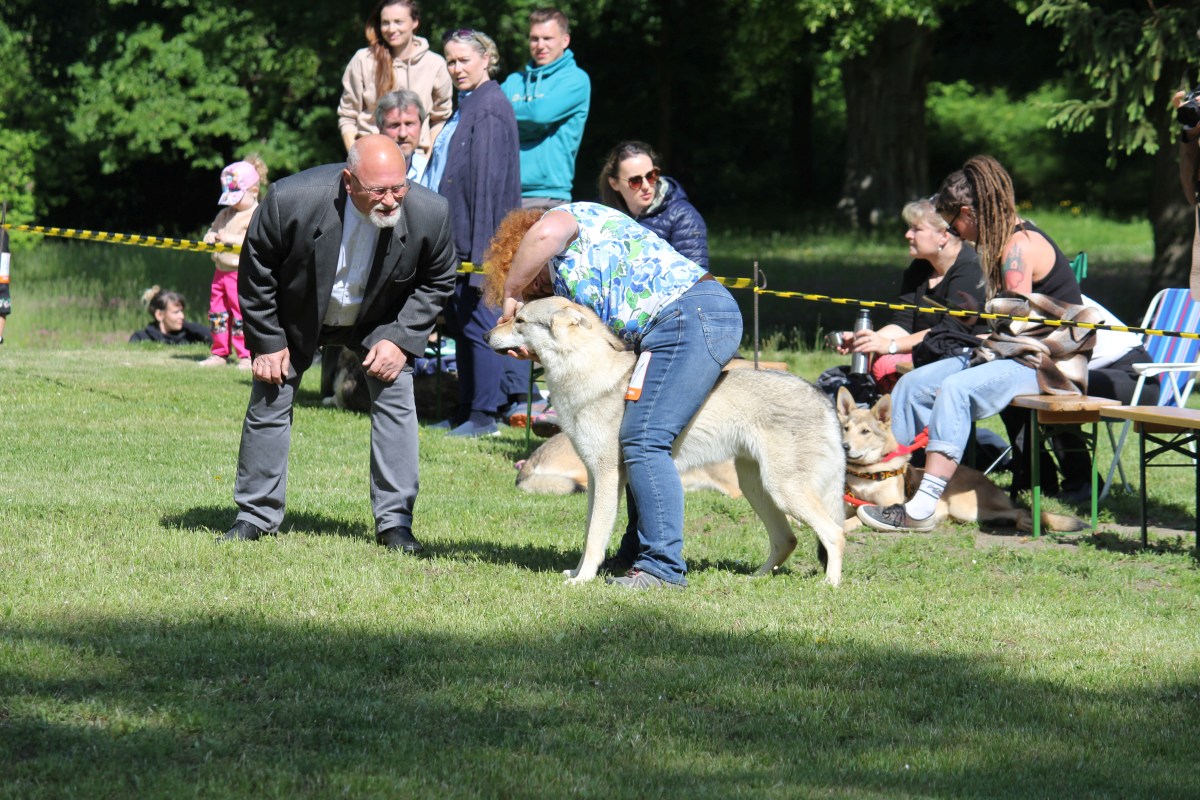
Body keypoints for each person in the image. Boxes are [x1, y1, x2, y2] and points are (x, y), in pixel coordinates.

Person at [485, 202, 743, 590]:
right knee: (634, 437)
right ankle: (632, 555)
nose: (533, 293)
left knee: (644, 437)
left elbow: (542, 236)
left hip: (693, 316)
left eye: (532, 283)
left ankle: (663, 569)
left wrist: (511, 289)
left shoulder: (566, 222)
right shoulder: (571, 285)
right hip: (675, 325)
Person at [222, 135, 457, 552]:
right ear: (349, 182)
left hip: (379, 319)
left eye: (399, 187)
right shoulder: (290, 200)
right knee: (270, 394)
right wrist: (268, 341)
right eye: (379, 191)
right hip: (300, 314)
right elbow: (257, 271)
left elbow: (438, 279)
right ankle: (254, 516)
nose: (392, 200)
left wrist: (401, 338)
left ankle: (395, 523)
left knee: (396, 396)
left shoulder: (430, 212)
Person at [858, 155, 1096, 533]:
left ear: (968, 213)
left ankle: (919, 510)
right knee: (912, 384)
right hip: (1011, 353)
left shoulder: (1018, 247)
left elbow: (1014, 327)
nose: (956, 232)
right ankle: (882, 484)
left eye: (954, 224)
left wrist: (977, 339)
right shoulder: (1002, 243)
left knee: (955, 388)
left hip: (1048, 364)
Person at [420, 29, 521, 437]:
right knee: (462, 323)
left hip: (482, 240)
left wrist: (482, 259)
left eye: (464, 60)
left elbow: (487, 187)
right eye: (450, 61)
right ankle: (466, 409)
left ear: (486, 59)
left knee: (482, 324)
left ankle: (485, 416)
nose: (456, 68)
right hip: (458, 236)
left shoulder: (491, 108)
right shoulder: (469, 105)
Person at [1004, 294, 1160, 502]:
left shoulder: (1055, 296)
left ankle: (1083, 482)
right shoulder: (1026, 298)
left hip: (1134, 378)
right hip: (1089, 373)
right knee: (1010, 389)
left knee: (1053, 388)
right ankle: (1036, 478)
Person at [827, 198, 986, 395]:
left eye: (916, 229)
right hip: (929, 351)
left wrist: (890, 346)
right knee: (881, 359)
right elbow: (903, 323)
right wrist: (867, 340)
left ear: (943, 236)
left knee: (887, 362)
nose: (907, 234)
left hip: (963, 356)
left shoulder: (970, 269)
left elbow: (948, 332)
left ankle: (912, 424)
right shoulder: (920, 267)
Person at [499, 8, 590, 208]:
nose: (540, 45)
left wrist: (510, 119)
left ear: (565, 40)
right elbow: (489, 117)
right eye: (534, 39)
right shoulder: (514, 81)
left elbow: (538, 115)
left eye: (547, 38)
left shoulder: (575, 79)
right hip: (504, 190)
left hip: (548, 195)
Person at [337, 0, 452, 156]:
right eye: (386, 23)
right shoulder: (363, 60)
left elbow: (440, 119)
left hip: (417, 161)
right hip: (372, 158)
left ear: (415, 22)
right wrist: (357, 158)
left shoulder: (435, 64)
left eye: (398, 22)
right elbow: (348, 117)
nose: (391, 29)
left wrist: (428, 160)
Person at [199, 157, 267, 368]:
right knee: (217, 312)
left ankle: (246, 354)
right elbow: (212, 230)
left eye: (236, 197)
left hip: (241, 273)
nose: (231, 202)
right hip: (220, 272)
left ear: (254, 192)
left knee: (240, 313)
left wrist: (231, 239)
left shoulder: (256, 214)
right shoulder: (224, 214)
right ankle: (219, 352)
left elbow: (256, 241)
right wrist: (210, 236)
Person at [597, 140, 708, 267]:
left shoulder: (684, 216)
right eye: (635, 180)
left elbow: (697, 279)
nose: (646, 186)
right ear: (614, 183)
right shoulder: (601, 214)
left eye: (651, 176)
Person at [375, 89, 429, 181]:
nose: (402, 134)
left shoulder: (430, 172)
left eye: (409, 124)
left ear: (421, 125)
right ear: (380, 128)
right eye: (394, 125)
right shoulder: (366, 172)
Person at [129, 287, 212, 345]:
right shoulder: (141, 338)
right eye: (176, 312)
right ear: (159, 315)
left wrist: (185, 324)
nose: (182, 316)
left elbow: (214, 338)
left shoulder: (189, 336)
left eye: (181, 311)